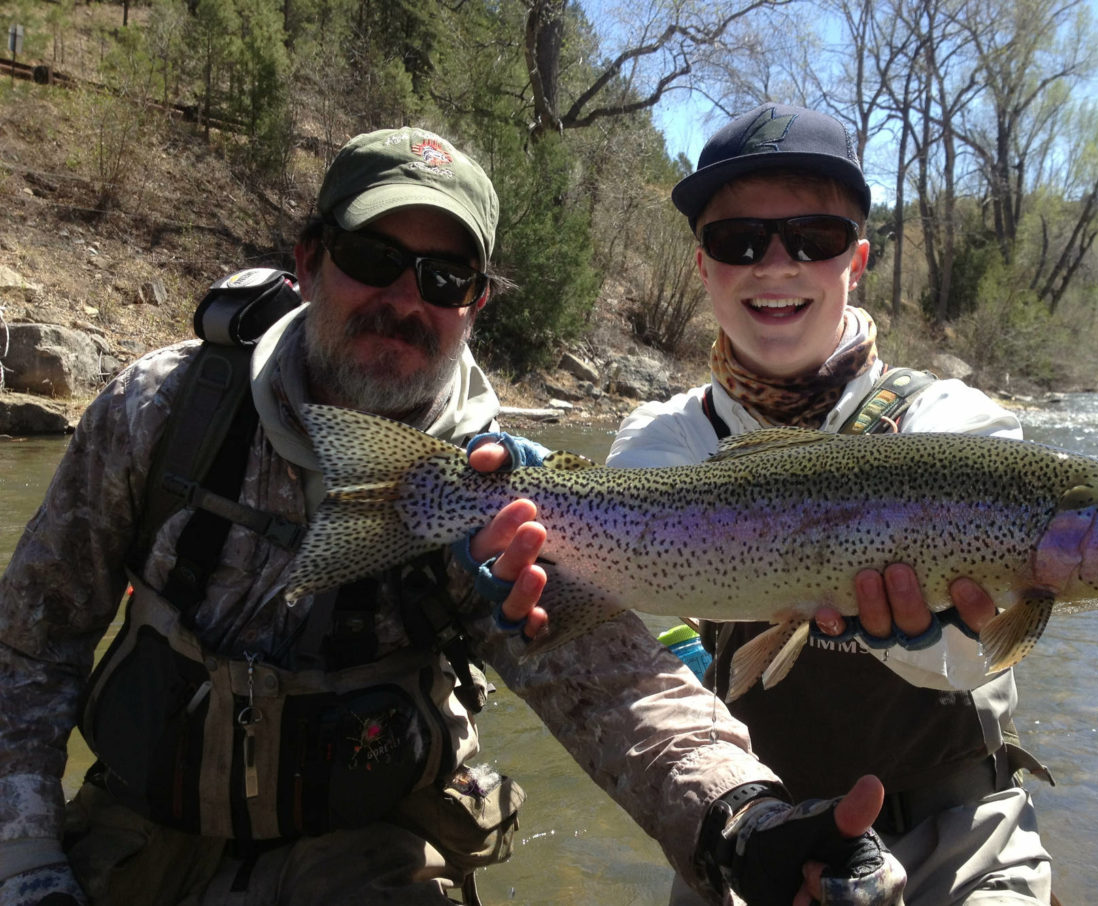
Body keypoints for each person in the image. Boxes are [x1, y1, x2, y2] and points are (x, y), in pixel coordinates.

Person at [0, 126, 906, 906]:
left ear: (476, 304)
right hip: (132, 838)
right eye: (373, 260)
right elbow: (31, 643)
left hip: (367, 859)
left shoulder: (494, 485)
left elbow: (612, 682)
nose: (406, 301)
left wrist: (742, 819)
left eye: (445, 277)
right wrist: (27, 860)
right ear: (310, 260)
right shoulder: (161, 411)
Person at [608, 104, 1054, 905]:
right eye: (738, 242)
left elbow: (977, 655)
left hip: (955, 839)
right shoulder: (663, 443)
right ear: (702, 266)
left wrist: (916, 632)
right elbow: (632, 639)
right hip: (749, 833)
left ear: (857, 259)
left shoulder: (957, 425)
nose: (775, 266)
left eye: (814, 238)